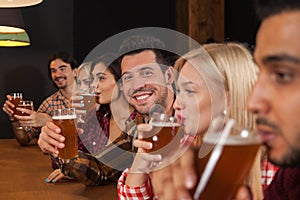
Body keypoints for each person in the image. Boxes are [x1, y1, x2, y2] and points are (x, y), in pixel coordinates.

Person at [150, 0, 300, 199]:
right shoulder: (290, 178)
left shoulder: (278, 159)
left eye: (282, 75)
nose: (253, 101)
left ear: (229, 96)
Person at [117, 43, 263, 199]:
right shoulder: (188, 144)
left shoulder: (274, 165)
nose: (176, 104)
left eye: (190, 91)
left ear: (228, 97)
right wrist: (141, 162)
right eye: (179, 91)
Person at [37, 35, 178, 185]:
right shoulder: (139, 123)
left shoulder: (196, 118)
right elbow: (101, 169)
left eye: (147, 73)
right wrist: (58, 147)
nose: (137, 85)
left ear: (168, 76)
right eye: (128, 77)